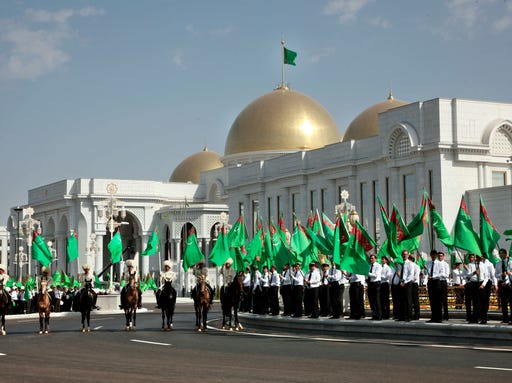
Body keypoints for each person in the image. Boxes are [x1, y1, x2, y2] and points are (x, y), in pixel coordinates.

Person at [495, 248, 512, 323]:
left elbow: (511, 273)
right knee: (503, 302)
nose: (501, 255)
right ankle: (505, 319)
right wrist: (501, 274)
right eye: (500, 253)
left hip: (509, 284)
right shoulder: (498, 263)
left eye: (502, 253)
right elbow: (495, 274)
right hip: (501, 284)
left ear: (505, 254)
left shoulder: (510, 262)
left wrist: (509, 276)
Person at [426, 250, 442, 323]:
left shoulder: (439, 263)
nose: (433, 256)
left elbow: (441, 274)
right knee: (432, 300)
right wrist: (425, 269)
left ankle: (439, 317)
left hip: (436, 282)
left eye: (434, 254)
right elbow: (426, 273)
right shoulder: (428, 263)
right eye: (432, 254)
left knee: (437, 300)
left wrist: (433, 277)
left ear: (436, 255)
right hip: (430, 282)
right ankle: (433, 317)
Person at [367, 254, 382, 320]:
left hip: (376, 284)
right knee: (371, 300)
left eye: (372, 258)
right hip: (370, 284)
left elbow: (375, 275)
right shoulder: (370, 266)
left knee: (376, 300)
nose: (371, 259)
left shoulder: (378, 266)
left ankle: (379, 315)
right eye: (370, 258)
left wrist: (367, 273)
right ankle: (374, 315)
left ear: (375, 259)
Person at [437, 252, 450, 321]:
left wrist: (439, 275)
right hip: (437, 282)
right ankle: (439, 315)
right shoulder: (436, 264)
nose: (440, 257)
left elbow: (446, 275)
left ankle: (446, 315)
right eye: (439, 256)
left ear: (443, 256)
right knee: (438, 300)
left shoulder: (446, 264)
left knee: (444, 300)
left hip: (443, 282)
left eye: (441, 256)